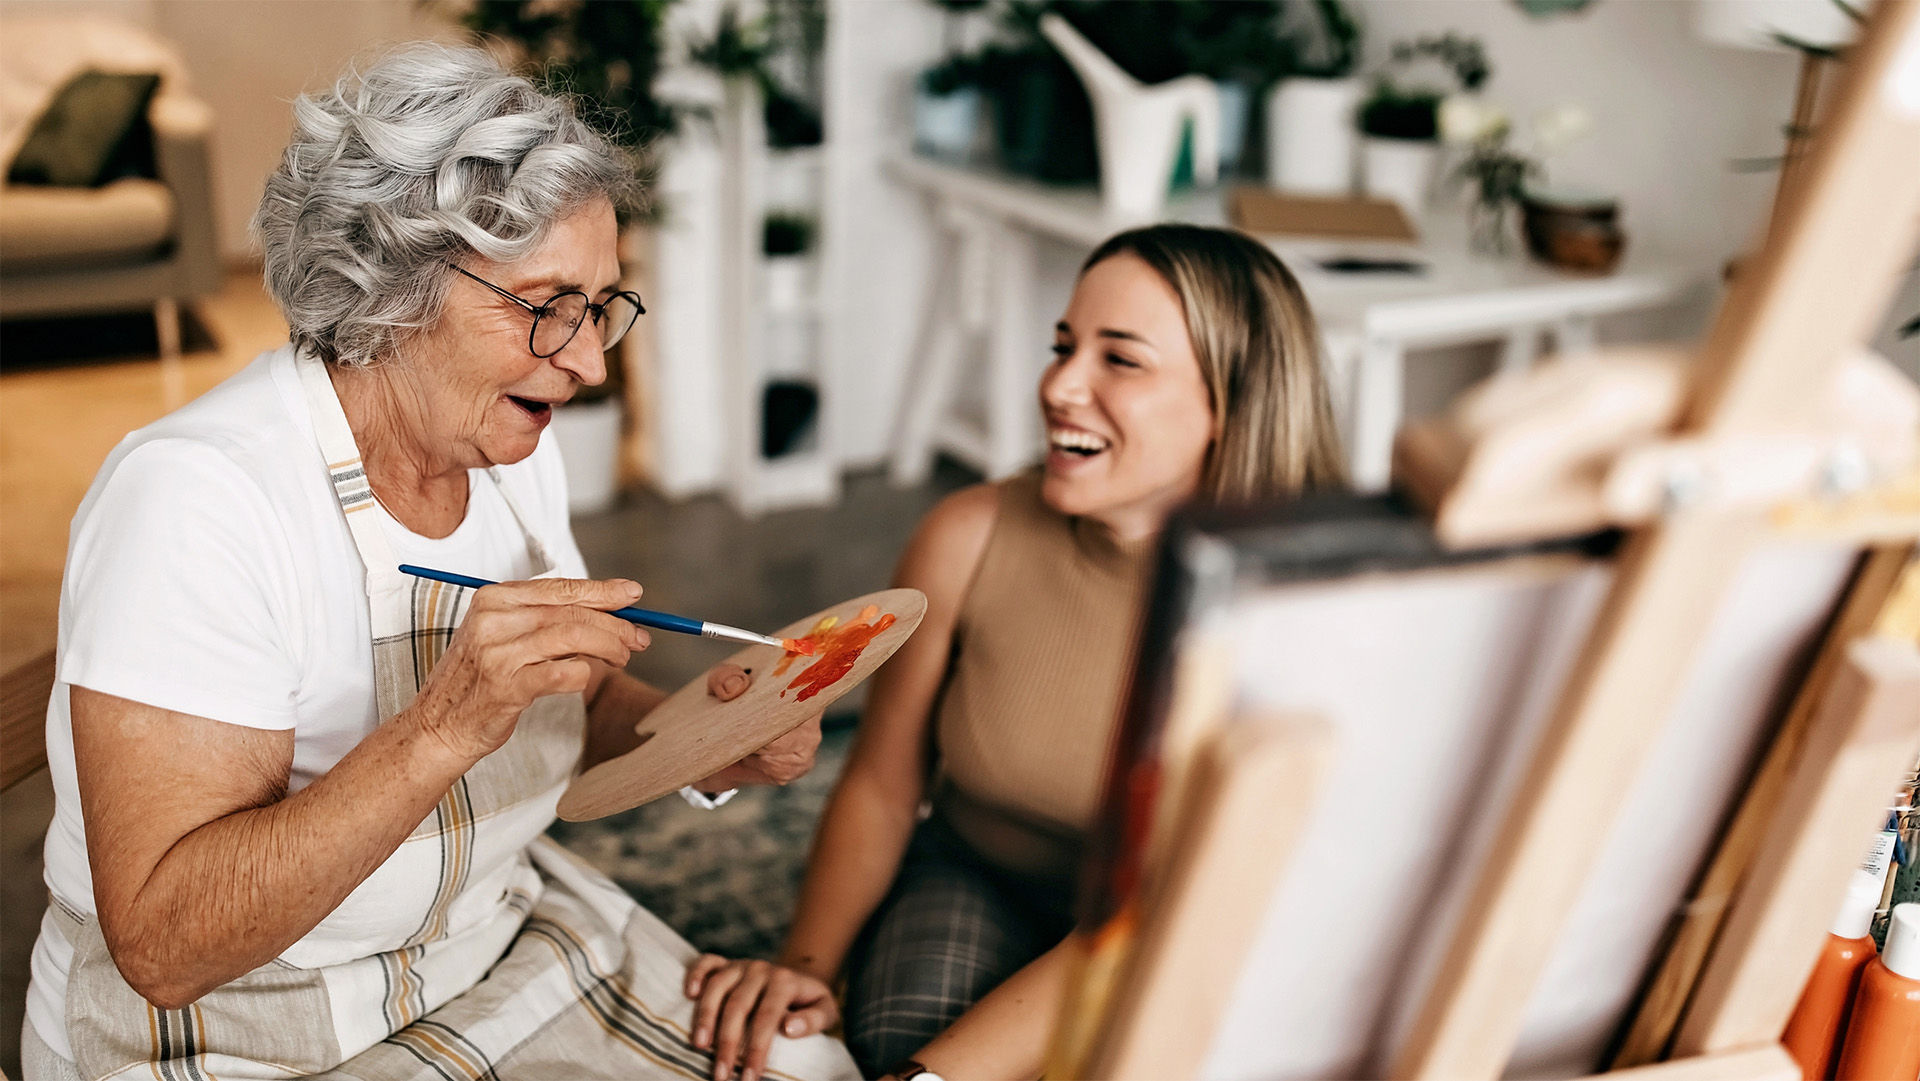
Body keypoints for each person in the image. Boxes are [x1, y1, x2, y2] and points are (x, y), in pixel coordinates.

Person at [22, 44, 858, 1081]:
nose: (590, 362)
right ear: (391, 279)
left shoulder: (509, 455)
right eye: (548, 303)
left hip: (475, 947)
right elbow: (165, 946)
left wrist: (716, 739)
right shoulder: (197, 498)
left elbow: (572, 711)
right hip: (247, 1023)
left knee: (806, 1062)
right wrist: (445, 720)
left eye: (599, 305)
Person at [684, 224, 1347, 1080]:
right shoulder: (968, 534)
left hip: (1183, 928)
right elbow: (884, 784)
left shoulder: (1308, 616)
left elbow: (1159, 916)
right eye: (1063, 347)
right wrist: (803, 972)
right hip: (983, 874)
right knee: (886, 1045)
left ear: (1232, 403)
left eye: (1122, 360)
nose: (1061, 386)